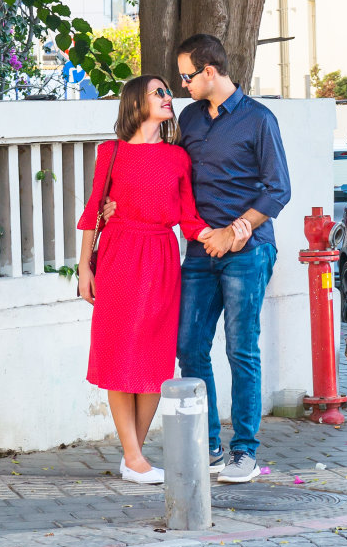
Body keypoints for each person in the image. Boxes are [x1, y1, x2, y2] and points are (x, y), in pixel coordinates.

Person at [76, 74, 208, 486]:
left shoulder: (177, 158)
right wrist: (84, 269)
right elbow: (94, 211)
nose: (170, 97)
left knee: (154, 357)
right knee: (119, 354)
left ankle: (136, 455)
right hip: (118, 254)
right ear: (137, 102)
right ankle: (132, 458)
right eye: (160, 92)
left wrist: (225, 235)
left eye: (169, 91)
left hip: (161, 256)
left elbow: (188, 215)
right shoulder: (110, 152)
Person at [175, 32, 292, 485]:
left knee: (241, 348)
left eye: (187, 75)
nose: (182, 83)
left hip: (249, 250)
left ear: (210, 71)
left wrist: (235, 231)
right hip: (201, 249)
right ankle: (209, 447)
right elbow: (173, 176)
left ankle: (246, 452)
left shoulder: (259, 119)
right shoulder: (189, 119)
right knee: (189, 346)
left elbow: (278, 188)